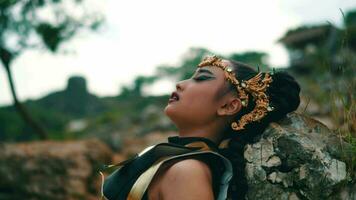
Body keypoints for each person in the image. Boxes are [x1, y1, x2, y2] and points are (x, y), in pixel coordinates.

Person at [101, 55, 301, 200]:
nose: (180, 84)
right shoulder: (177, 161)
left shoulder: (188, 172)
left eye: (201, 78)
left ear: (228, 106)